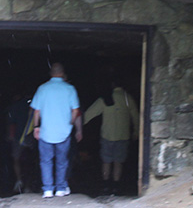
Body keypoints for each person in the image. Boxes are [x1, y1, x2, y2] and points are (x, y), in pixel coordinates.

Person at [31, 62, 82, 198]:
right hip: (63, 132)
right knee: (62, 161)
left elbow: (36, 110)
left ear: (50, 73)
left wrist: (36, 127)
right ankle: (60, 188)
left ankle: (47, 189)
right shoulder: (70, 89)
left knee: (46, 161)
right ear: (63, 73)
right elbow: (76, 110)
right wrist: (70, 124)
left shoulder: (42, 89)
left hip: (46, 131)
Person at [83, 80, 139, 195]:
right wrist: (137, 132)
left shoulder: (105, 98)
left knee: (106, 161)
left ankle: (106, 185)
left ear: (112, 86)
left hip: (107, 136)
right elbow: (136, 117)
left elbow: (90, 113)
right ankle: (116, 186)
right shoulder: (128, 98)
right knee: (118, 162)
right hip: (123, 135)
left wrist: (77, 125)